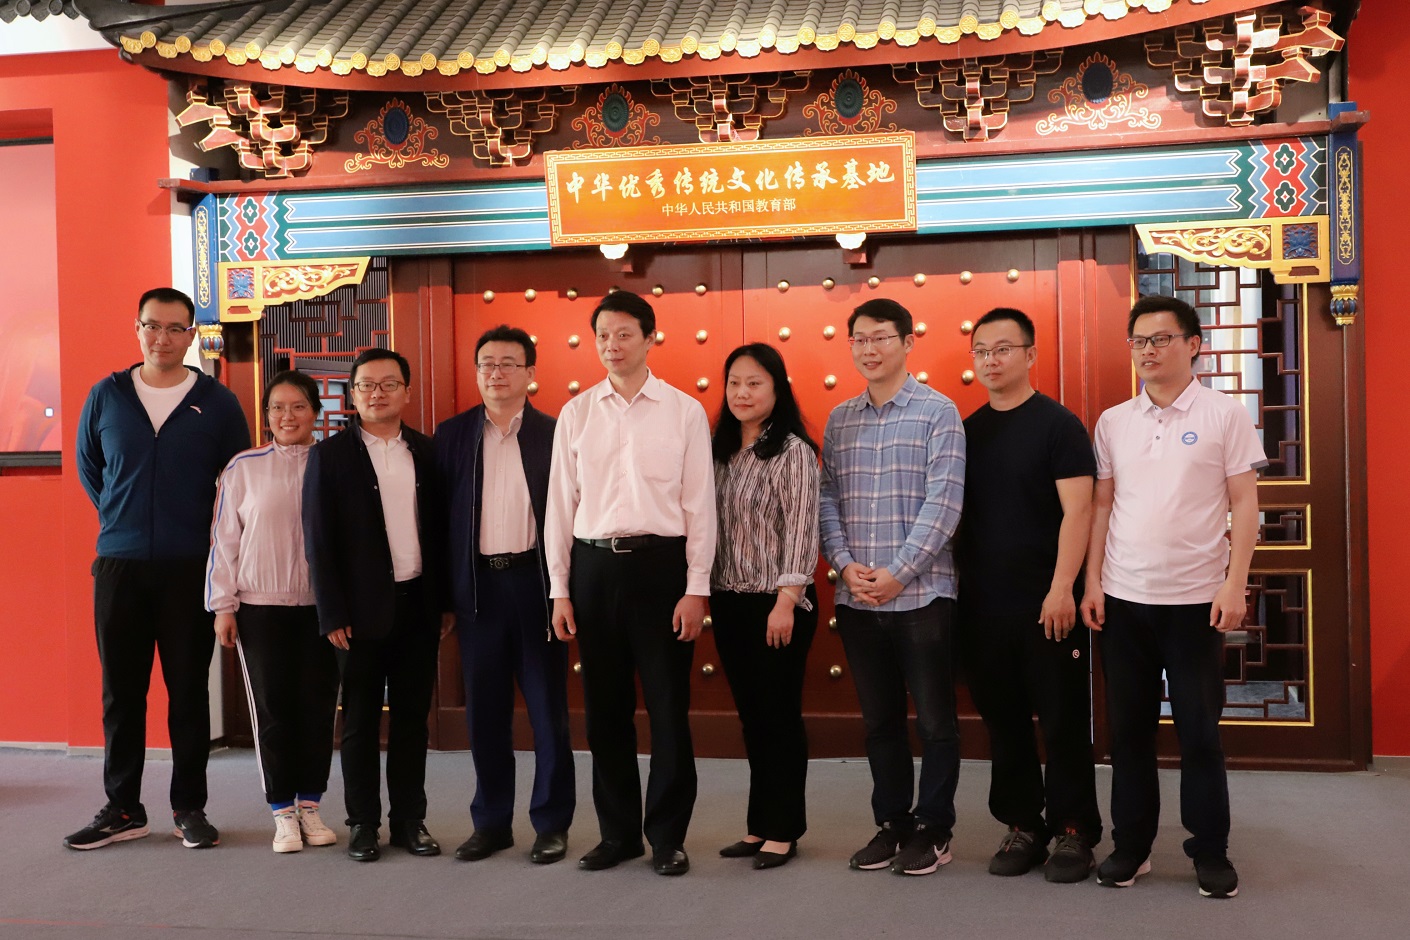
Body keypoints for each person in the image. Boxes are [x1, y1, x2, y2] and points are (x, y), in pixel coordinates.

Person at [1080, 295, 1264, 899]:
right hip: (1124, 599)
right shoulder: (1114, 421)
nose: (1148, 350)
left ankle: (1209, 850)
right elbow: (1103, 505)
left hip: (1195, 601)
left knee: (1199, 733)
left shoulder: (1225, 415)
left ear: (1193, 345)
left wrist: (1234, 583)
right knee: (1128, 733)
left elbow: (1244, 503)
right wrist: (1093, 581)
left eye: (1161, 339)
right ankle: (1131, 847)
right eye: (1138, 341)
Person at [68, 287, 250, 851]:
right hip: (119, 566)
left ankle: (188, 807)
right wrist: (121, 518)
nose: (162, 338)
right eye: (152, 326)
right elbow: (90, 469)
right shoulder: (107, 395)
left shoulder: (217, 402)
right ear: (137, 328)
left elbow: (237, 481)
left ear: (191, 336)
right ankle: (123, 807)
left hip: (189, 568)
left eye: (175, 329)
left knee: (188, 693)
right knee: (121, 694)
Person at [546, 290, 716, 876]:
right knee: (604, 711)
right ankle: (617, 834)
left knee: (668, 708)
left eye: (623, 334)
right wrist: (559, 589)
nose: (611, 345)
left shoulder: (683, 411)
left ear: (649, 338)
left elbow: (699, 506)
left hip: (661, 570)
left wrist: (697, 588)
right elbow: (560, 507)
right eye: (603, 335)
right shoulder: (576, 413)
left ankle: (668, 836)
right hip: (593, 570)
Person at [819, 297, 965, 877]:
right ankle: (893, 824)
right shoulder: (840, 419)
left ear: (907, 342)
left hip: (923, 595)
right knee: (879, 722)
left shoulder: (938, 412)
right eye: (859, 339)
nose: (869, 349)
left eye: (880, 337)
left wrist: (900, 571)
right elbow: (827, 499)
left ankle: (934, 829)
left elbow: (944, 503)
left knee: (935, 722)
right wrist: (843, 563)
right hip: (857, 597)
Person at [957, 307, 1102, 883]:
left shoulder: (1059, 426)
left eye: (1003, 349)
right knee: (1005, 720)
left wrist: (1062, 586)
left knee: (1063, 719)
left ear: (1030, 355)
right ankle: (1023, 823)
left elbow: (1079, 511)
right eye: (981, 351)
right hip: (983, 605)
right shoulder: (967, 431)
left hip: (1049, 602)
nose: (990, 361)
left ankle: (1074, 829)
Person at [436, 325, 575, 865]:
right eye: (486, 363)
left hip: (536, 585)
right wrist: (444, 598)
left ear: (530, 373)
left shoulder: (555, 433)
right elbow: (436, 523)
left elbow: (574, 514)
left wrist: (564, 591)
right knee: (485, 713)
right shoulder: (452, 435)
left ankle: (551, 823)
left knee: (547, 711)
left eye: (508, 363)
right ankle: (491, 823)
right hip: (478, 590)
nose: (496, 373)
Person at [303, 347, 446, 863]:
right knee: (360, 721)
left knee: (412, 718)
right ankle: (363, 823)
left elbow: (442, 531)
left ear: (407, 391)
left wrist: (445, 603)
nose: (377, 393)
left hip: (418, 605)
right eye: (366, 385)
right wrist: (332, 612)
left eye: (388, 384)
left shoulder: (427, 452)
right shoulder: (329, 456)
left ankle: (409, 820)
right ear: (353, 394)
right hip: (357, 615)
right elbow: (318, 540)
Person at [205, 370, 341, 854]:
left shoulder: (334, 462)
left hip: (323, 610)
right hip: (260, 610)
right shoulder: (244, 467)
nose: (287, 416)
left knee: (319, 708)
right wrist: (222, 606)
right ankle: (282, 812)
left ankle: (311, 806)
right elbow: (224, 540)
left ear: (315, 412)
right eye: (277, 408)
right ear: (266, 415)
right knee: (273, 710)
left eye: (298, 406)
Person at [710, 343, 820, 871]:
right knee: (753, 718)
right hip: (728, 601)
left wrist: (787, 600)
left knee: (778, 716)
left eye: (754, 383)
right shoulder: (720, 450)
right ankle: (759, 825)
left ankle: (784, 829)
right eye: (734, 382)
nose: (742, 393)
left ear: (777, 389)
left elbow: (801, 529)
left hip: (777, 604)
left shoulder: (792, 451)